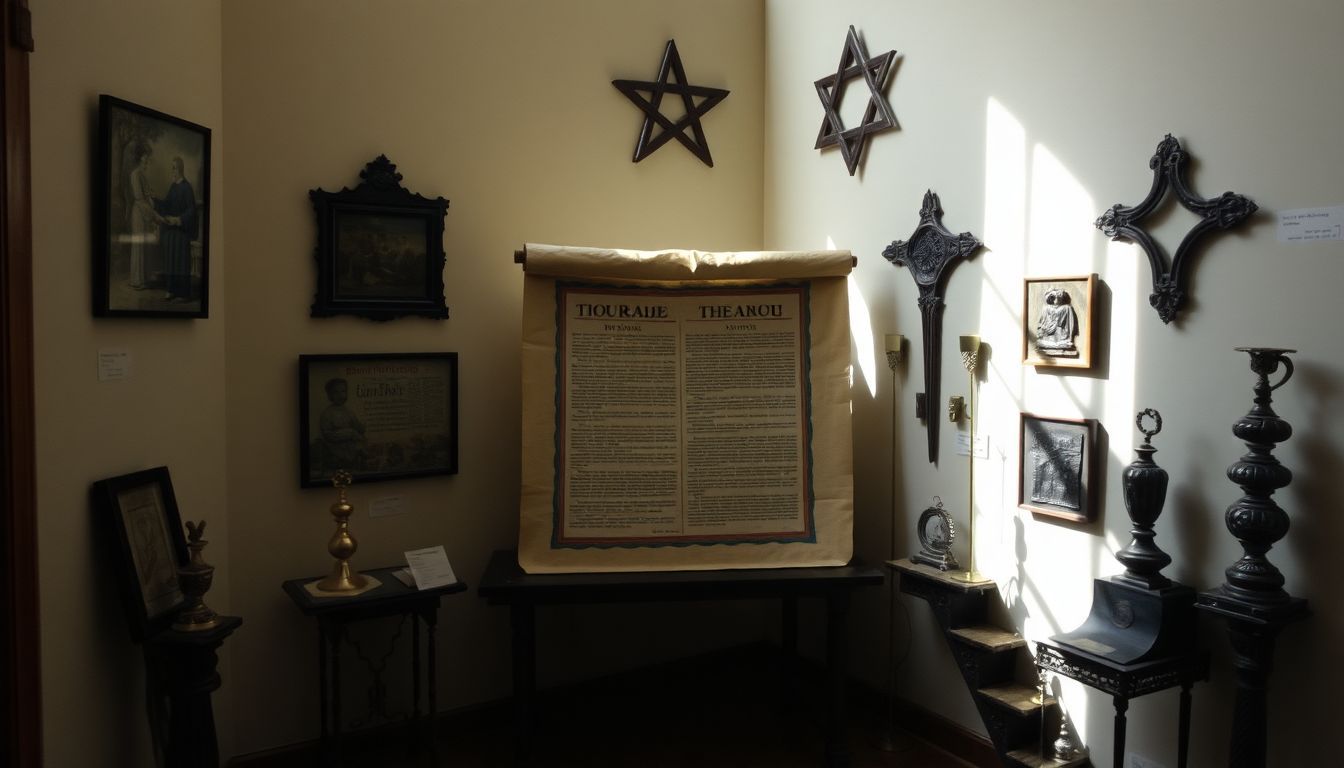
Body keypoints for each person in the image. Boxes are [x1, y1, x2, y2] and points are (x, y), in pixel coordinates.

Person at [154, 156, 199, 302]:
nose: (172, 171)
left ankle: (183, 293)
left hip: (182, 231)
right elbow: (167, 204)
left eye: (173, 167)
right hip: (172, 230)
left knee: (179, 257)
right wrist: (155, 199)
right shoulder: (173, 187)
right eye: (172, 168)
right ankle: (171, 289)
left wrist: (178, 219)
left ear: (179, 169)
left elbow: (191, 210)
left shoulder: (187, 187)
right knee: (170, 255)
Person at [125, 144, 161, 290]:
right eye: (145, 157)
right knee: (138, 245)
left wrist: (152, 197)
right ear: (140, 158)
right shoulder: (135, 174)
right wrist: (153, 215)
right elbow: (139, 198)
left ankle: (143, 279)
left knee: (144, 245)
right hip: (140, 213)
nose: (147, 160)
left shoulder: (142, 174)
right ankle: (137, 280)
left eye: (147, 157)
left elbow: (147, 194)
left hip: (144, 213)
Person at [319, 378, 366, 474]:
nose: (340, 395)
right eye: (336, 392)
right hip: (335, 453)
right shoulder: (327, 413)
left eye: (343, 391)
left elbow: (358, 428)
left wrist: (360, 427)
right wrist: (349, 433)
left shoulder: (349, 411)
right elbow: (327, 435)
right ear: (329, 395)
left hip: (352, 453)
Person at [1034, 288, 1078, 354]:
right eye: (1054, 296)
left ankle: (1060, 343)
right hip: (1048, 334)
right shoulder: (1046, 308)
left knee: (1066, 343)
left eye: (1058, 296)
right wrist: (1042, 330)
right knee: (1040, 342)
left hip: (1062, 335)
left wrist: (1070, 337)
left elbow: (1070, 324)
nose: (1056, 298)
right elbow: (1042, 323)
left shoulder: (1067, 308)